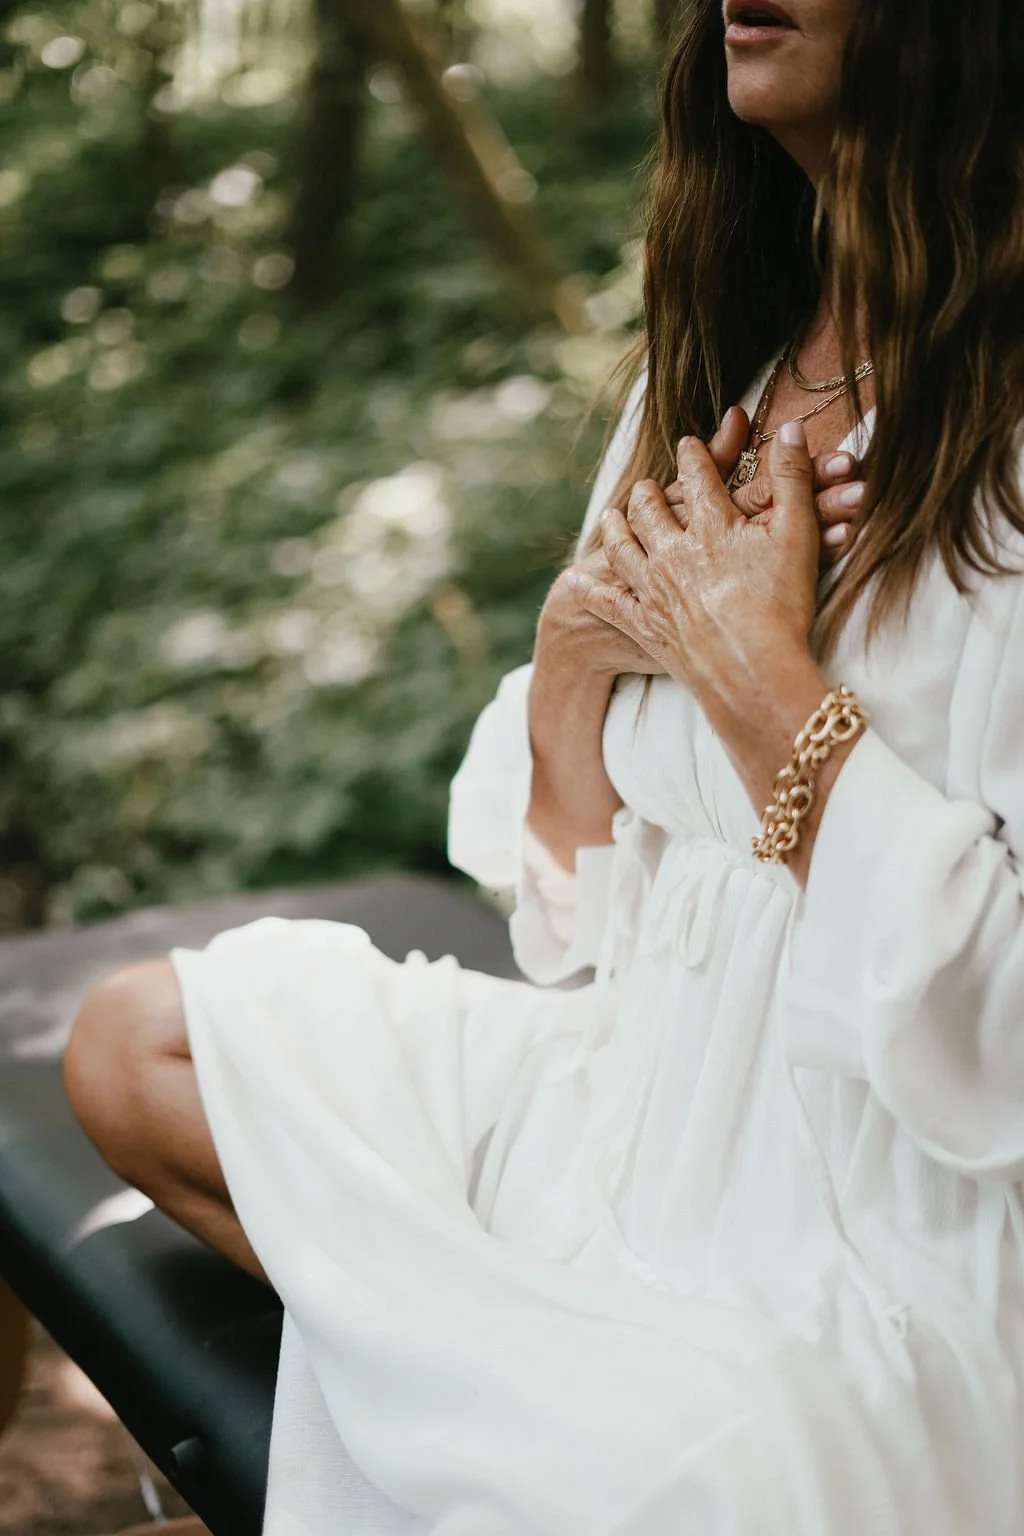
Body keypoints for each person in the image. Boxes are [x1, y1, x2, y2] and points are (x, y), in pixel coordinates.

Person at [63, 0, 1024, 1531]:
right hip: (624, 1086)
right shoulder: (720, 370)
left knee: (699, 1479)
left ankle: (511, 1373)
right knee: (134, 1045)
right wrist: (574, 661)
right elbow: (572, 907)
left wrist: (757, 679)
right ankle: (497, 1346)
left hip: (874, 1209)